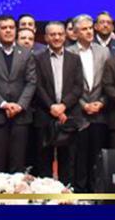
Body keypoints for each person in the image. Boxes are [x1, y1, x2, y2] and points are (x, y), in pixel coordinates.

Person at [0, 15, 36, 173]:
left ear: (16, 30)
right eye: (4, 28)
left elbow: (31, 82)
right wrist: (3, 104)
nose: (8, 31)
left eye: (11, 27)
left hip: (20, 115)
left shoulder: (26, 53)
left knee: (18, 163)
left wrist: (20, 105)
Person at [32, 22, 82, 185]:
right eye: (52, 34)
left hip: (67, 116)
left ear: (65, 36)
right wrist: (51, 106)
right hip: (44, 116)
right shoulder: (37, 58)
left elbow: (78, 87)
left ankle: (65, 195)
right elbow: (37, 86)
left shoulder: (74, 59)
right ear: (46, 37)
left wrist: (63, 106)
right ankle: (45, 196)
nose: (57, 37)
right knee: (43, 162)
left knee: (67, 161)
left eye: (60, 34)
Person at [66, 14, 109, 192]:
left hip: (100, 112)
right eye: (84, 29)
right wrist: (84, 105)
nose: (89, 32)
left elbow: (109, 82)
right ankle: (80, 193)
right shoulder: (68, 52)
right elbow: (68, 86)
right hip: (78, 112)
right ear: (75, 33)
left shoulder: (103, 51)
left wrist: (101, 102)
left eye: (91, 28)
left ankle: (96, 192)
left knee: (97, 156)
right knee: (79, 156)